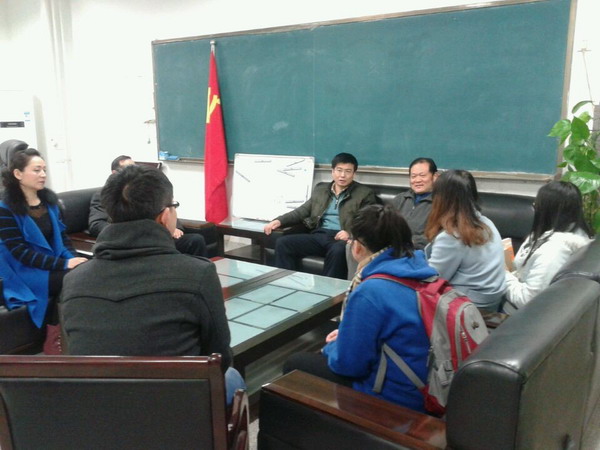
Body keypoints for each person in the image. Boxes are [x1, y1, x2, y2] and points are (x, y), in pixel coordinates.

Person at [60, 164, 243, 404]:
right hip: (175, 409)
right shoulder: (198, 274)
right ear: (165, 216)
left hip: (98, 409)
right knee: (233, 377)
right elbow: (219, 358)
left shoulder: (73, 281)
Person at [283, 204, 437, 412]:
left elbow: (349, 365)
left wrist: (332, 347)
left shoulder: (371, 290)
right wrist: (347, 334)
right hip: (426, 378)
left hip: (397, 395)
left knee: (296, 363)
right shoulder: (420, 269)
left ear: (358, 247)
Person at [0, 148, 87, 329]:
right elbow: (20, 252)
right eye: (36, 170)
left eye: (44, 170)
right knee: (76, 278)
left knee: (87, 270)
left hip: (49, 263)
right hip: (22, 270)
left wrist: (74, 259)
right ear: (18, 174)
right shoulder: (5, 209)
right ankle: (58, 331)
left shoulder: (49, 203)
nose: (43, 175)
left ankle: (66, 330)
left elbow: (62, 238)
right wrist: (64, 264)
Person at [263, 153, 377, 279]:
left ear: (354, 174)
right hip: (319, 235)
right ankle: (286, 283)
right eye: (339, 170)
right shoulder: (321, 190)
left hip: (340, 239)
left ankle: (328, 289)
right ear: (332, 171)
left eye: (348, 171)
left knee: (338, 250)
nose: (342, 175)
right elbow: (302, 211)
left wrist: (350, 233)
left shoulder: (365, 194)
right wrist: (279, 221)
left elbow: (369, 222)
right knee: (283, 243)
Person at [502, 181, 594, 314]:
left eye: (537, 204)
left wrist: (502, 274)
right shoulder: (558, 231)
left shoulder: (553, 251)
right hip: (512, 298)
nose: (535, 206)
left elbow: (527, 300)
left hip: (514, 315)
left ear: (548, 210)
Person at [88, 155, 206, 257]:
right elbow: (96, 224)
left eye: (135, 167)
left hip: (159, 237)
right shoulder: (104, 195)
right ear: (115, 173)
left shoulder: (148, 191)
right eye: (128, 168)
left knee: (195, 240)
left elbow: (168, 209)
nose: (133, 171)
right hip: (126, 242)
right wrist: (126, 231)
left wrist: (175, 227)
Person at [424, 169, 506, 311]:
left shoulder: (452, 236)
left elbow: (432, 279)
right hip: (492, 301)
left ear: (441, 199)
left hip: (467, 307)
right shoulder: (486, 222)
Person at [345, 157, 438, 279]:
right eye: (413, 176)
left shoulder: (440, 204)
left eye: (422, 175)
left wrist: (404, 241)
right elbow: (381, 223)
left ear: (434, 176)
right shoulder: (401, 199)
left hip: (415, 250)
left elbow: (434, 237)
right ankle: (355, 285)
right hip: (390, 246)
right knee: (354, 245)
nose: (417, 180)